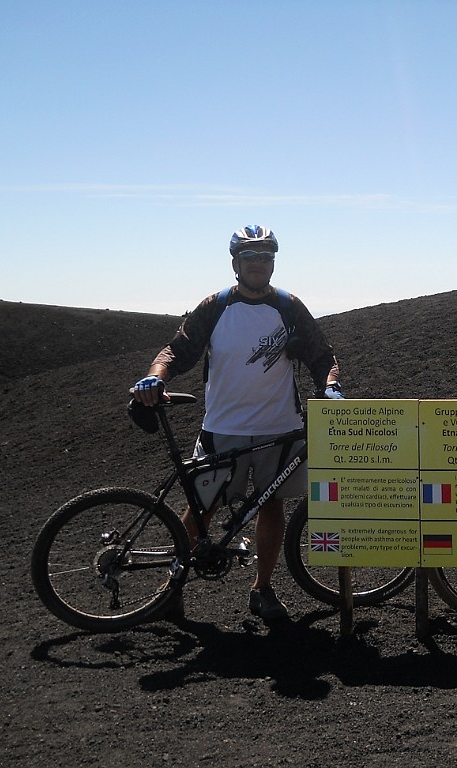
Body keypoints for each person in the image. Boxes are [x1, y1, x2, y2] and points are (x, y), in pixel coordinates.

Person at [131, 225, 343, 620]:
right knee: (202, 509)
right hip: (223, 425)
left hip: (279, 426)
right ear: (236, 263)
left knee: (272, 504)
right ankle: (170, 587)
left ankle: (262, 589)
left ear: (273, 262)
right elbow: (177, 350)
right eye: (251, 257)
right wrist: (156, 376)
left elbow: (321, 354)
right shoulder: (215, 305)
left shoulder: (288, 305)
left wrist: (330, 386)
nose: (259, 264)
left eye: (265, 256)